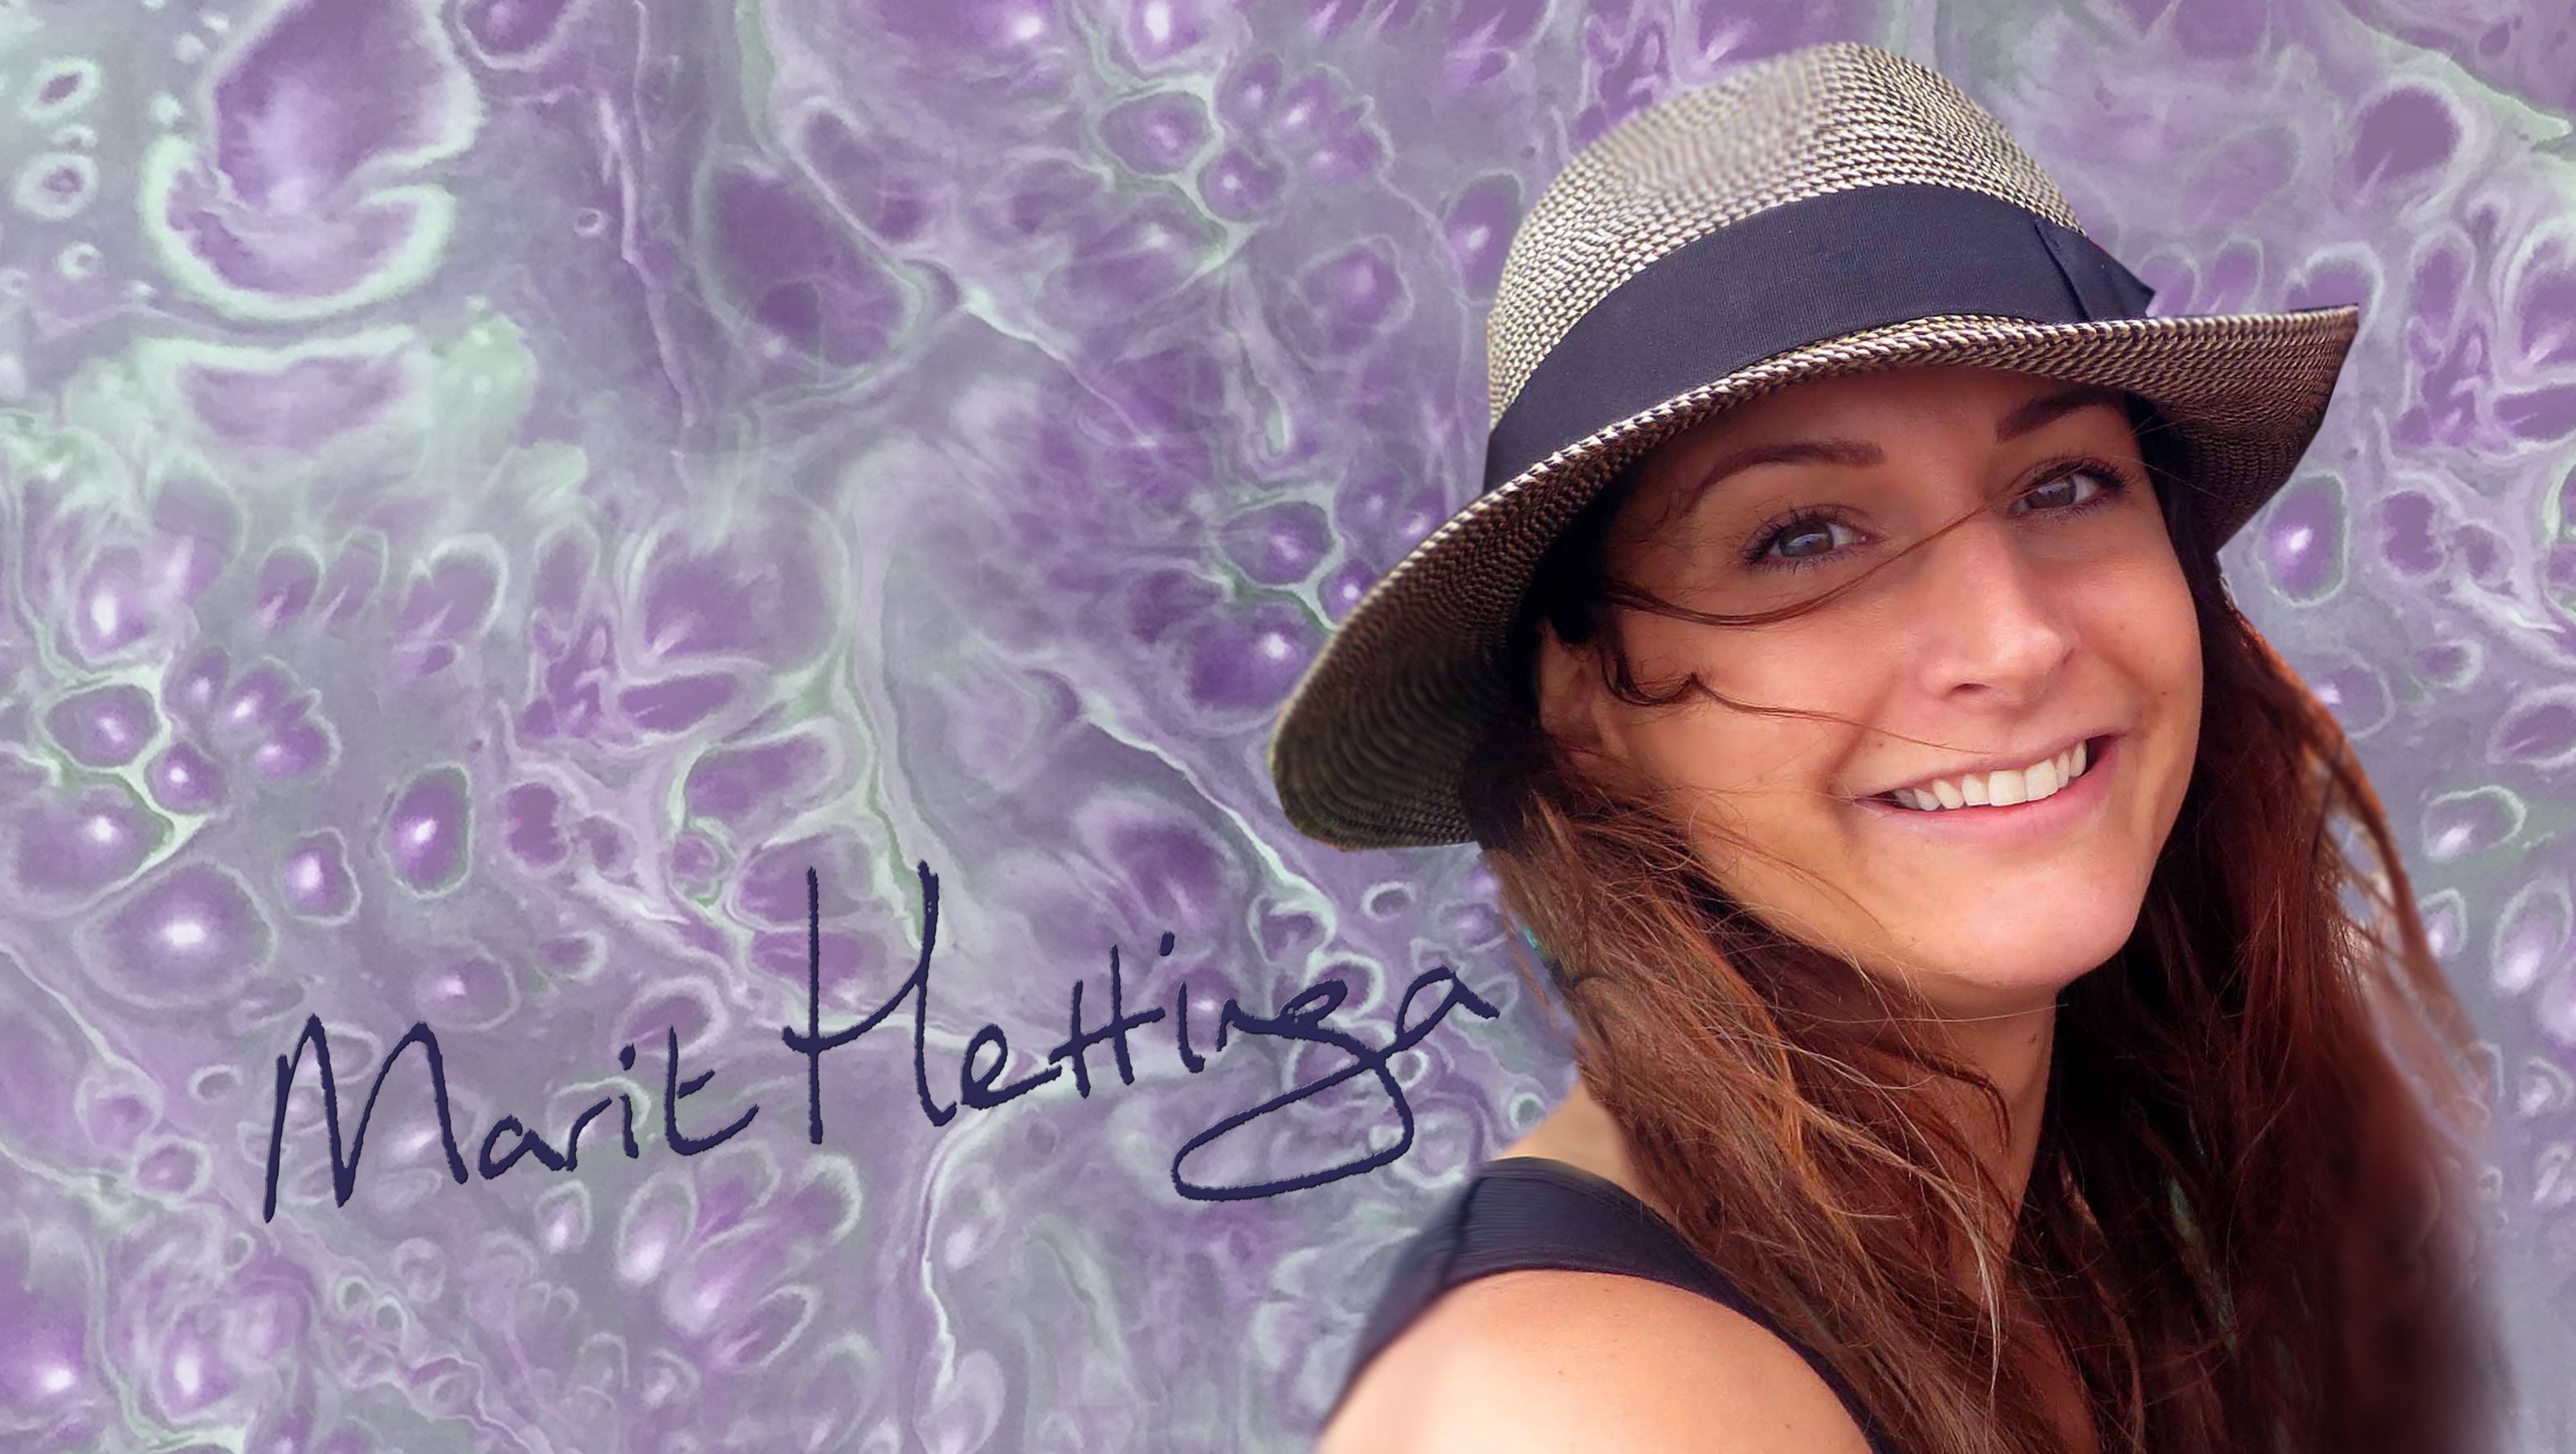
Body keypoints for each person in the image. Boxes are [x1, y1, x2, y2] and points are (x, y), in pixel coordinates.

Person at [1265, 40, 2512, 1454]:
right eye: (1804, 536)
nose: (2014, 639)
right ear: (1584, 701)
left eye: (2065, 484)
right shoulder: (1594, 1410)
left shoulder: (2033, 1249)